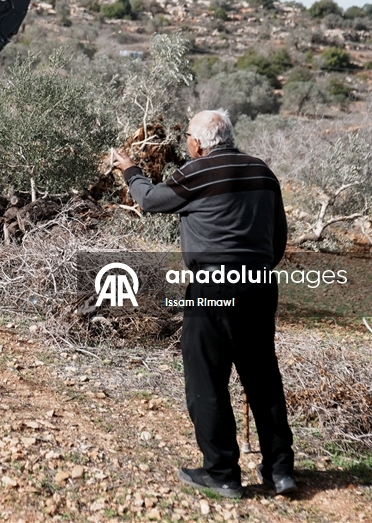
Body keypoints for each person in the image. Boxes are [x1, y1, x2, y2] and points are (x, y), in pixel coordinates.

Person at [113, 109, 295, 499]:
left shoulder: (197, 172)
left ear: (197, 144)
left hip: (212, 286)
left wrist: (130, 169)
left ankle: (222, 473)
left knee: (207, 377)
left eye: (187, 140)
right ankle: (280, 470)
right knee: (262, 376)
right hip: (260, 284)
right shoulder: (263, 172)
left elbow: (149, 199)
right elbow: (278, 238)